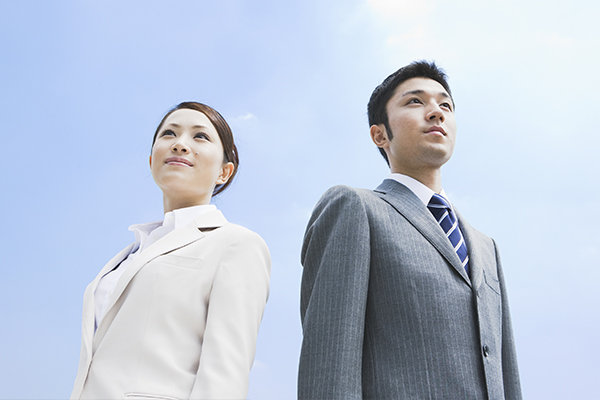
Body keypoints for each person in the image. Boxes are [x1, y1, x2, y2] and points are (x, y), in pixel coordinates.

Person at [299, 61, 522, 399]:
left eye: (446, 105)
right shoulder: (356, 209)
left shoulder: (486, 247)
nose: (436, 112)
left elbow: (505, 372)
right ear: (380, 134)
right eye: (415, 101)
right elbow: (330, 362)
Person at [70, 102, 271, 399]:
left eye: (200, 136)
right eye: (169, 134)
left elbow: (224, 376)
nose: (180, 144)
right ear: (152, 159)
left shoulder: (236, 244)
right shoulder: (128, 256)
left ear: (224, 172)